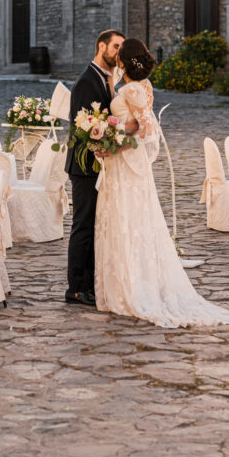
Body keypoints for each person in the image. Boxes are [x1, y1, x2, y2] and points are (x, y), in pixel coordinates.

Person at [94, 37, 229, 329]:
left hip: (126, 165)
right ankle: (123, 284)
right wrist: (113, 130)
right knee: (126, 219)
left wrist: (114, 145)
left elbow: (147, 129)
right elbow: (135, 123)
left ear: (124, 62)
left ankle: (134, 288)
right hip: (120, 166)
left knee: (129, 219)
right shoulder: (143, 87)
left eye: (120, 56)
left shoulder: (132, 89)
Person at [64, 29, 133, 307]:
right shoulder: (86, 80)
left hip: (100, 163)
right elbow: (83, 125)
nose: (119, 52)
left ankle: (91, 283)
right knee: (83, 225)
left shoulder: (109, 80)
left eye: (122, 48)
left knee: (95, 225)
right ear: (101, 46)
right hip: (83, 165)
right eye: (116, 47)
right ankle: (76, 288)